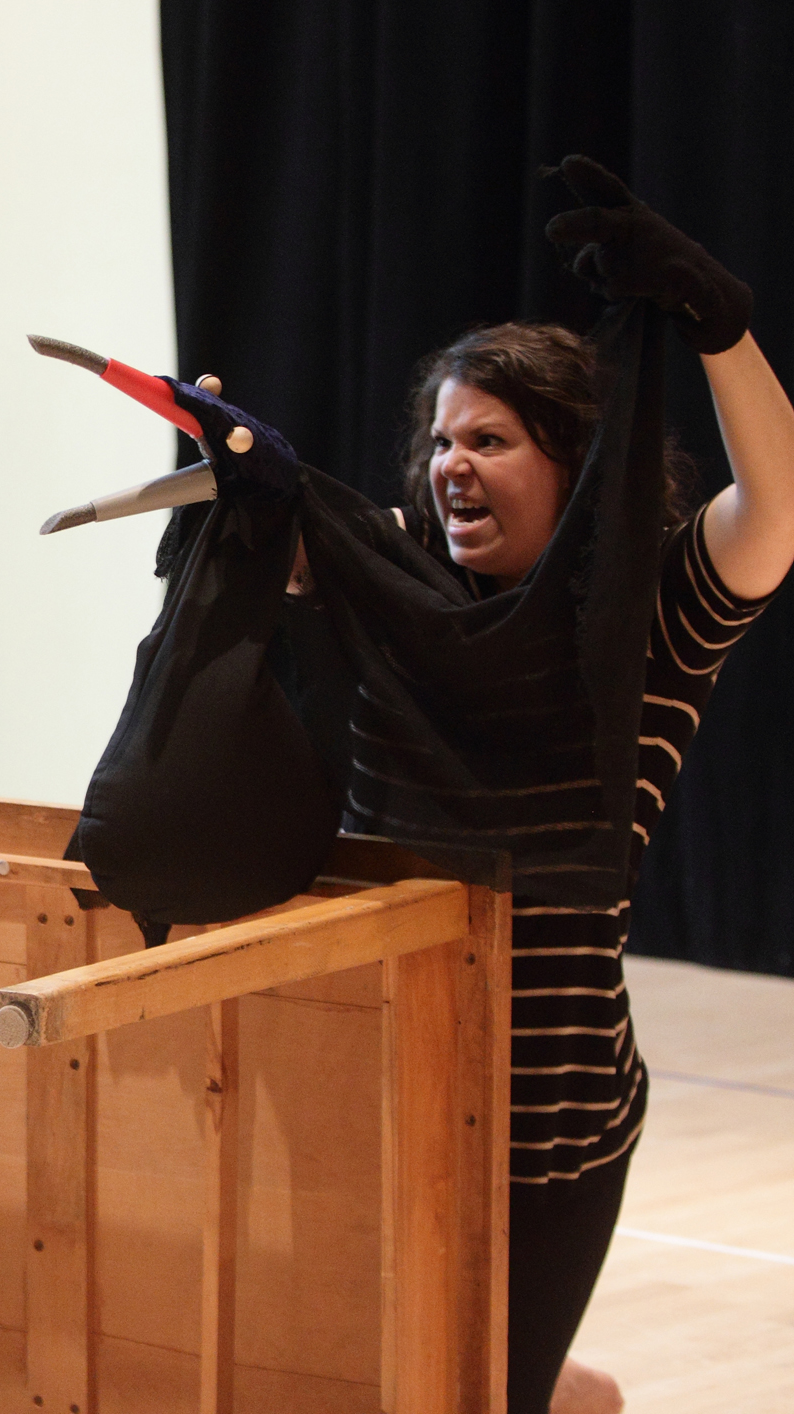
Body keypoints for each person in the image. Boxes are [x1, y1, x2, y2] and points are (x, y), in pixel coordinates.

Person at [291, 161, 794, 1414]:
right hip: (381, 1086)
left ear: (573, 462)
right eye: (438, 441)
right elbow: (258, 548)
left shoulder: (647, 619)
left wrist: (720, 326)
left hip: (552, 1124)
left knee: (475, 1392)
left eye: (490, 440)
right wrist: (232, 480)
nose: (450, 465)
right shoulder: (396, 598)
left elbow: (776, 508)